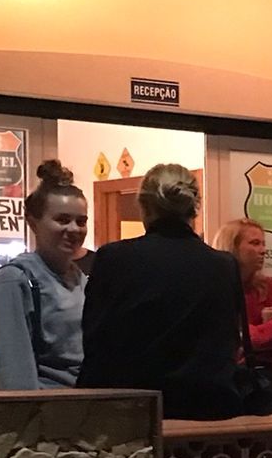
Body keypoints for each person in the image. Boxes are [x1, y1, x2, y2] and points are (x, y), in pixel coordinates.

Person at [79, 163, 243, 420]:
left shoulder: (115, 258)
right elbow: (228, 341)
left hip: (132, 415)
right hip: (208, 412)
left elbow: (96, 341)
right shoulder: (223, 265)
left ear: (144, 207)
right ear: (194, 208)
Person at [0, 160, 90, 390]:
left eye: (81, 221)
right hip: (45, 417)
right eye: (63, 220)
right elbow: (8, 378)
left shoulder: (82, 281)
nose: (74, 229)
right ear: (33, 223)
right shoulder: (13, 283)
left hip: (81, 414)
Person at [215, 219, 272, 390]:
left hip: (266, 380)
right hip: (226, 379)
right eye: (255, 243)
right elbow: (223, 335)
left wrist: (247, 335)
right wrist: (266, 326)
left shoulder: (268, 286)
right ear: (232, 246)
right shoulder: (216, 287)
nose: (263, 250)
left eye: (263, 244)